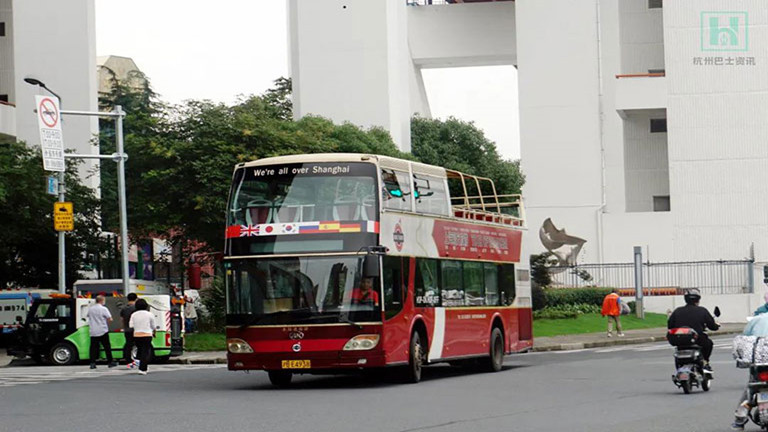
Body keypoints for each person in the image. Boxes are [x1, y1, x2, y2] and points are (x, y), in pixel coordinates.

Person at [667, 288, 719, 372]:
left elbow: (670, 325)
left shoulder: (677, 311)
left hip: (680, 341)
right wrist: (716, 326)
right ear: (698, 299)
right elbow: (712, 326)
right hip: (697, 339)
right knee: (708, 343)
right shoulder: (702, 310)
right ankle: (705, 362)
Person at [731, 313, 768, 430]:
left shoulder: (757, 319)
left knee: (751, 387)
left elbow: (744, 337)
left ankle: (739, 419)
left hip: (758, 361)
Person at [87, 295, 117, 369]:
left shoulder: (91, 309)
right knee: (107, 347)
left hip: (93, 331)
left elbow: (87, 316)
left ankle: (92, 363)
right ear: (101, 301)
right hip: (103, 330)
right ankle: (110, 362)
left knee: (93, 348)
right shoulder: (104, 309)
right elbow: (110, 319)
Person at [129, 298, 156, 376]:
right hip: (147, 334)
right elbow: (153, 326)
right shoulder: (149, 314)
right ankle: (143, 369)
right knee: (145, 352)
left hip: (137, 335)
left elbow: (131, 325)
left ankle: (138, 361)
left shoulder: (134, 314)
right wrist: (154, 332)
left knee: (140, 350)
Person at [120, 293, 137, 366]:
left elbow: (122, 319)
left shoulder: (123, 308)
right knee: (138, 345)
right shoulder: (136, 308)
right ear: (136, 299)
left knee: (128, 345)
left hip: (127, 329)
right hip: (136, 329)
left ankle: (128, 361)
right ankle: (137, 360)